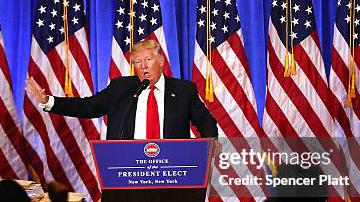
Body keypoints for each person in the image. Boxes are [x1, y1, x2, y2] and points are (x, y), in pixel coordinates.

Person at [25, 39, 218, 139]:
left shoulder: (184, 90)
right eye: (137, 62)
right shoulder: (121, 89)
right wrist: (48, 101)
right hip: (129, 173)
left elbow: (205, 121)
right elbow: (87, 107)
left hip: (171, 172)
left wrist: (209, 148)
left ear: (160, 61)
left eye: (148, 60)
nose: (143, 66)